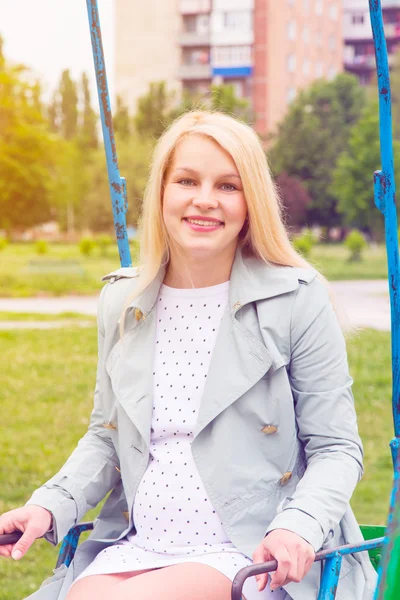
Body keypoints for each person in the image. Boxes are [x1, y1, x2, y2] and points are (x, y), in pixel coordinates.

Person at [0, 111, 377, 600]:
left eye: (227, 185)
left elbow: (337, 449)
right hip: (139, 547)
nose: (204, 199)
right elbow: (105, 438)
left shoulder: (294, 300)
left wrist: (297, 527)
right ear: (162, 192)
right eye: (187, 180)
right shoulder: (123, 301)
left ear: (251, 202)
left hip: (251, 552)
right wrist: (49, 506)